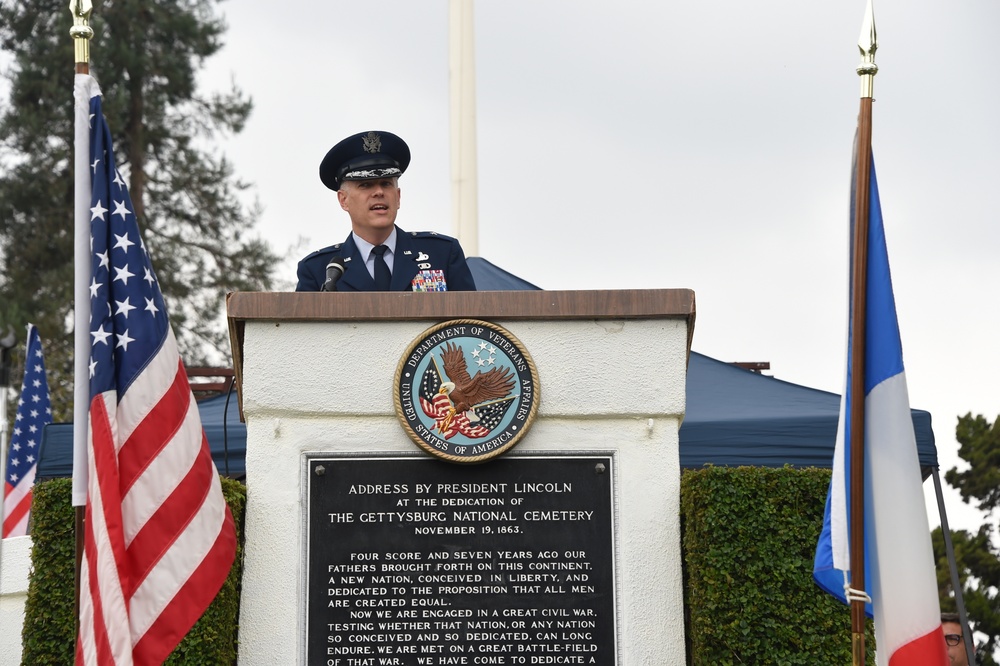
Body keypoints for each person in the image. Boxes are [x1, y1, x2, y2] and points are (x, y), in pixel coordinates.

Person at [296, 130, 477, 292]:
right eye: (365, 185)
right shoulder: (320, 270)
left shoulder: (442, 253)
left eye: (386, 184)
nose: (379, 192)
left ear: (398, 197)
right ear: (343, 200)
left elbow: (470, 325)